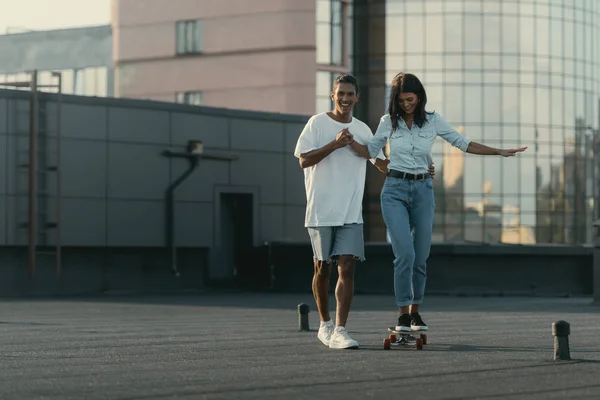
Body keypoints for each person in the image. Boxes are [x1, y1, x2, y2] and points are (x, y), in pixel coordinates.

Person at [349, 72, 527, 333]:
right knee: (404, 254)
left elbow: (462, 143)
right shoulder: (388, 122)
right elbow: (371, 152)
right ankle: (401, 314)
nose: (406, 105)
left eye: (410, 99)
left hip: (423, 190)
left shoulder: (433, 121)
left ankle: (415, 313)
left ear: (419, 97)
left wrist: (498, 151)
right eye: (401, 101)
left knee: (420, 257)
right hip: (395, 191)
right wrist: (347, 141)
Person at [293, 74, 436, 349]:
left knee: (347, 267)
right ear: (333, 96)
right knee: (322, 268)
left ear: (356, 97)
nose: (345, 99)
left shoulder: (363, 129)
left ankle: (340, 329)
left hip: (350, 212)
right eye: (340, 94)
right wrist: (335, 144)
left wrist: (420, 169)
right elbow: (303, 160)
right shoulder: (317, 124)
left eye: (350, 94)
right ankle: (324, 323)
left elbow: (382, 164)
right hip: (321, 210)